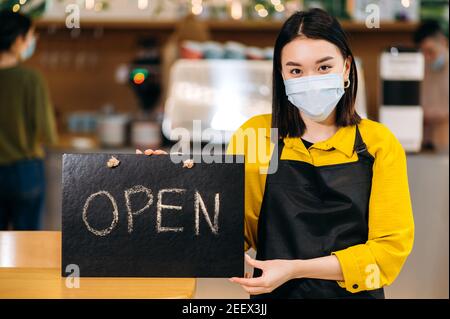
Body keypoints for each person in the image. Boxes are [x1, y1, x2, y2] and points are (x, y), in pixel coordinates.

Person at [225, 9, 414, 298]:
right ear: (282, 74)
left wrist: (295, 268)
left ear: (347, 67)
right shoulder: (256, 137)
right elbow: (229, 232)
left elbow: (387, 254)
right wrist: (173, 181)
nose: (310, 80)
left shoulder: (379, 143)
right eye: (296, 70)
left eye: (324, 67)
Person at [0, 11, 58, 230]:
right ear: (18, 40)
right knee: (28, 242)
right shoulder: (30, 79)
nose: (32, 42)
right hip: (24, 171)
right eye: (31, 36)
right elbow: (47, 131)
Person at [414, 20, 449, 153]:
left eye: (430, 51)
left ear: (442, 41)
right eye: (423, 53)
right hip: (425, 144)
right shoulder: (421, 70)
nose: (427, 57)